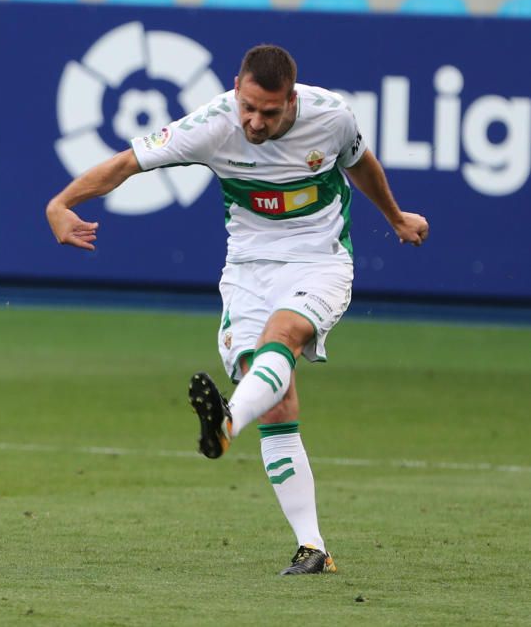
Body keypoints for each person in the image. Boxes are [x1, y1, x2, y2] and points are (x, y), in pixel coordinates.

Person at [47, 44, 429, 575]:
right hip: (248, 269)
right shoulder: (212, 123)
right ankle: (313, 547)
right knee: (274, 399)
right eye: (248, 106)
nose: (254, 120)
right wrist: (61, 204)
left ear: (291, 100)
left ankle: (226, 422)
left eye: (269, 112)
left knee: (283, 338)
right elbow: (126, 164)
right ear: (236, 88)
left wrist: (394, 216)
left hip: (318, 261)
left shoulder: (332, 117)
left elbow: (361, 163)